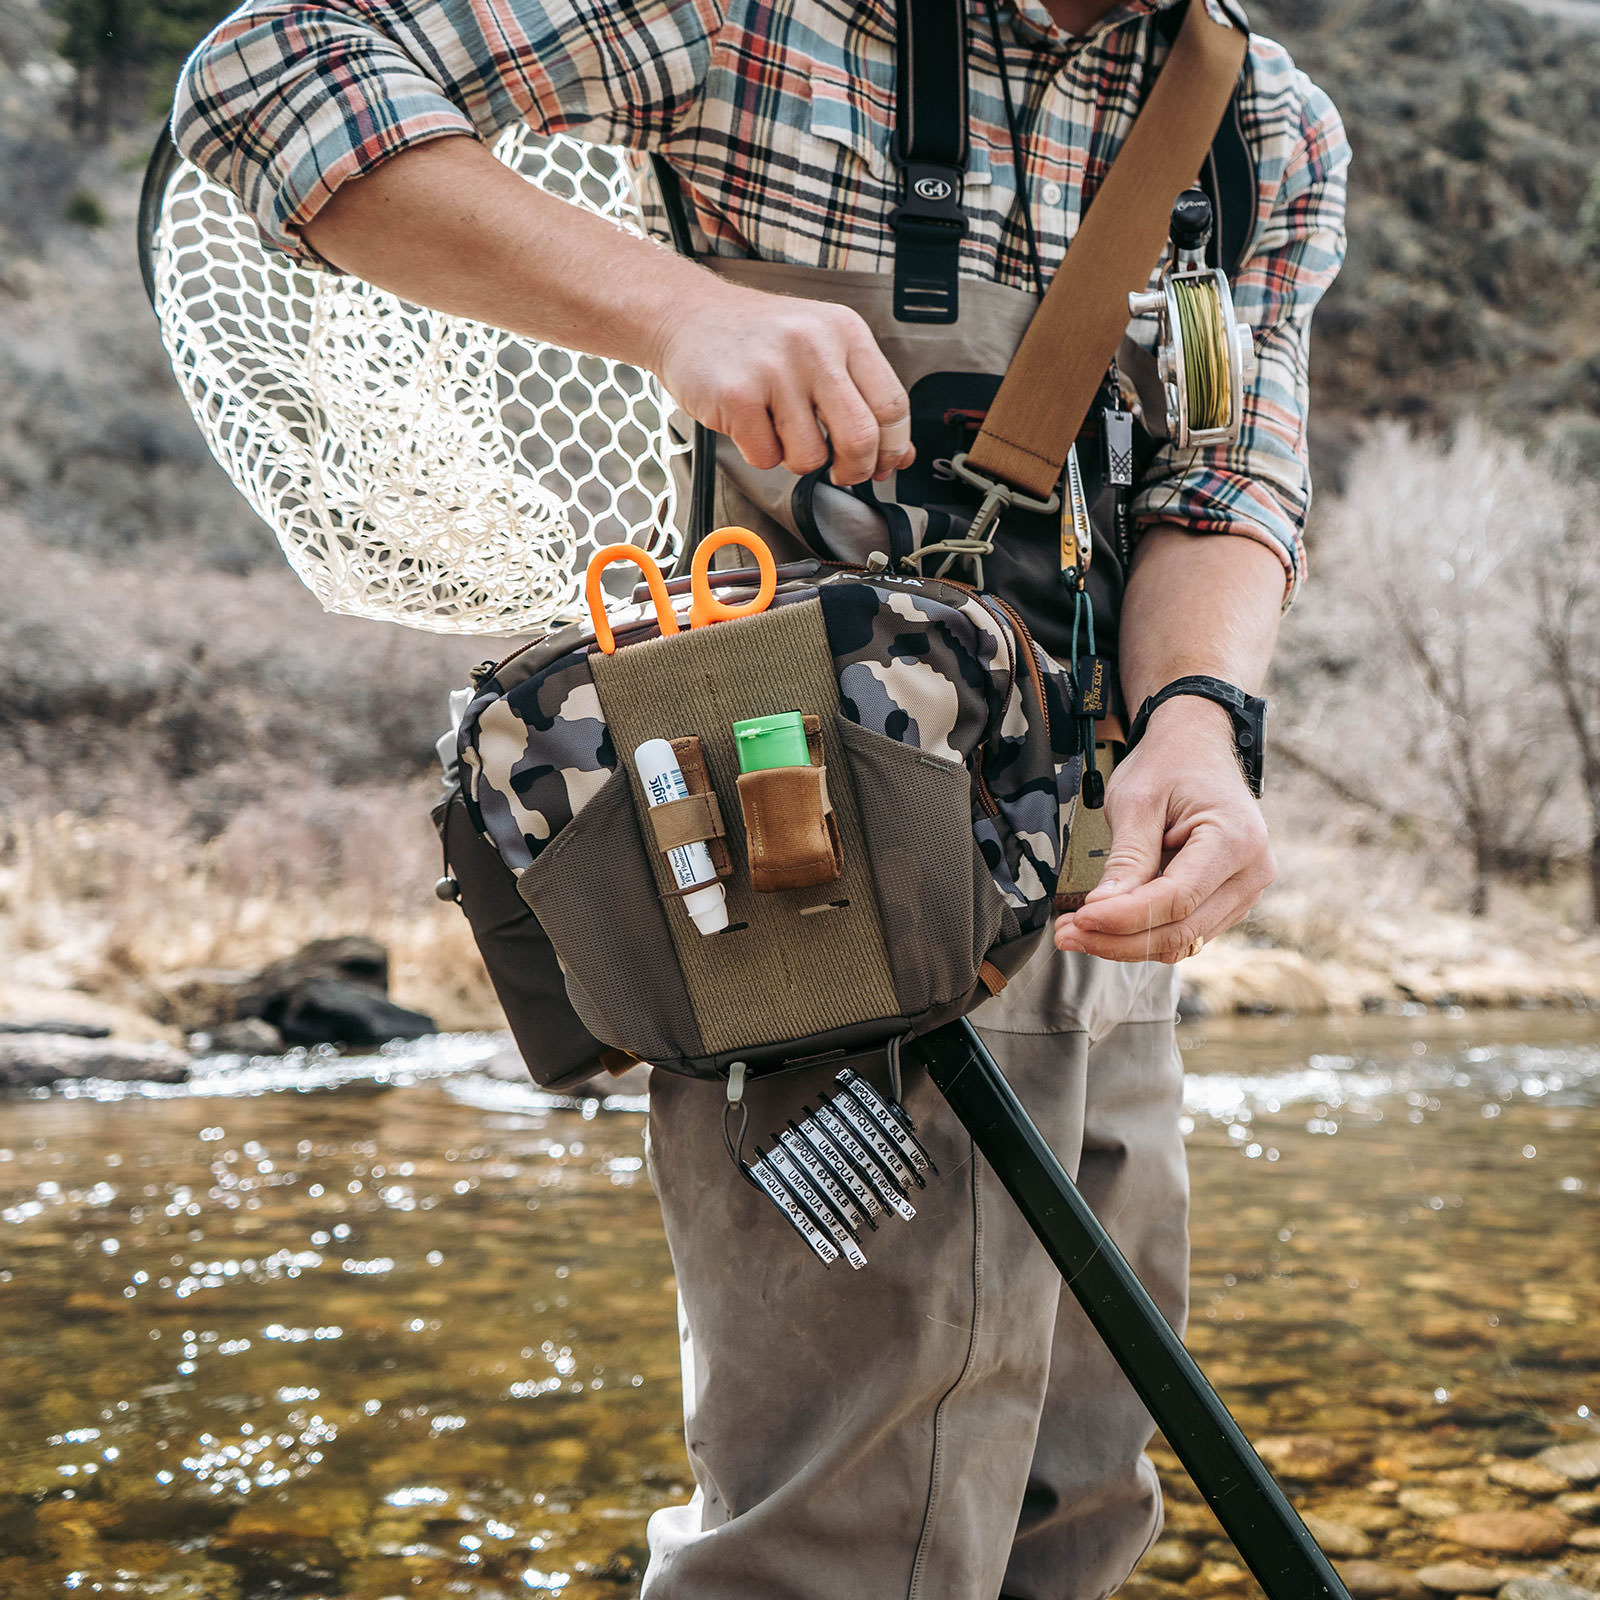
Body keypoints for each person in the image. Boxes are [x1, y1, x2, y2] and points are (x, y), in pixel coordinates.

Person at [173, 1, 1347, 1593]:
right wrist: (679, 313)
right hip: (801, 869)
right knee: (840, 1531)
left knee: (1073, 1499)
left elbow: (1225, 475)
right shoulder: (759, 15)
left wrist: (1202, 723)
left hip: (1091, 882)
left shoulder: (1262, 121)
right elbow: (271, 71)